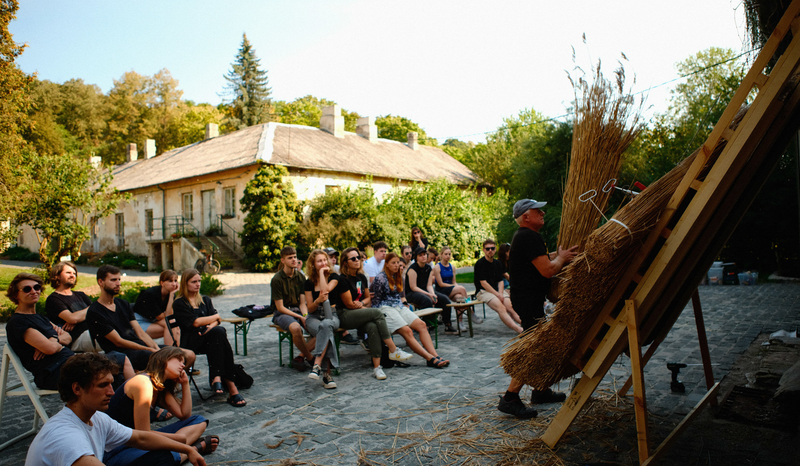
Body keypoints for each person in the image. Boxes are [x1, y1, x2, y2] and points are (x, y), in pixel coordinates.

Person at [25, 353, 206, 466]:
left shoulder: (96, 418)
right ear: (77, 389)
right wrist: (185, 446)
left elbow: (140, 437)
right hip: (113, 455)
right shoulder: (67, 436)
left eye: (112, 384)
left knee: (160, 455)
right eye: (103, 385)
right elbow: (143, 432)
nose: (112, 392)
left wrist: (188, 449)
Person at [498, 199, 578, 419]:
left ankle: (540, 390)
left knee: (540, 345)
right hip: (528, 301)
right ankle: (510, 397)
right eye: (537, 210)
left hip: (527, 299)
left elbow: (539, 261)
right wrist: (561, 259)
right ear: (526, 217)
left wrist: (558, 256)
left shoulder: (524, 237)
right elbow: (547, 271)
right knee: (534, 348)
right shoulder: (528, 236)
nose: (543, 212)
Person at [104, 347, 217, 465]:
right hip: (118, 448)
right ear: (163, 359)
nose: (182, 365)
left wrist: (185, 384)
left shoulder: (159, 388)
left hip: (138, 440)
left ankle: (178, 450)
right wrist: (179, 439)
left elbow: (184, 415)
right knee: (162, 457)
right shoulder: (143, 382)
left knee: (198, 421)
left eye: (183, 362)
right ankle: (192, 450)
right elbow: (143, 432)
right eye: (178, 360)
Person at [87, 265, 195, 372]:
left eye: (119, 279)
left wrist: (156, 347)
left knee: (189, 355)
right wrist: (150, 350)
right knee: (166, 361)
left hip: (141, 347)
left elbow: (140, 332)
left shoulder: (123, 304)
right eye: (113, 280)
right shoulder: (95, 311)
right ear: (101, 282)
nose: (118, 283)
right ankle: (160, 386)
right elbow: (118, 342)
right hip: (122, 353)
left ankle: (169, 385)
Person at [333, 247, 413, 380]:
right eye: (353, 258)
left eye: (358, 257)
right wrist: (361, 306)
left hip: (359, 311)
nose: (357, 260)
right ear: (345, 262)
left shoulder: (361, 277)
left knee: (373, 327)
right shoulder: (343, 279)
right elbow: (348, 304)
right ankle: (393, 349)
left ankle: (377, 367)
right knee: (377, 313)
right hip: (345, 314)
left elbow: (367, 298)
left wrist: (362, 304)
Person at [173, 269, 247, 407]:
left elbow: (217, 321)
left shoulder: (205, 300)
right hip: (191, 342)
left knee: (218, 334)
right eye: (194, 282)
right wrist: (215, 318)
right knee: (220, 336)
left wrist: (211, 325)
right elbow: (195, 322)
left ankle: (219, 379)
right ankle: (229, 387)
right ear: (185, 283)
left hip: (209, 339)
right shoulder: (179, 303)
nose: (198, 284)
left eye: (199, 281)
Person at [372, 253, 450, 369]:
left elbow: (401, 296)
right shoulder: (380, 278)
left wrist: (404, 304)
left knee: (422, 325)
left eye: (397, 263)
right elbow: (376, 301)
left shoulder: (399, 277)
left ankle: (435, 355)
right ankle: (429, 358)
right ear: (386, 264)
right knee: (407, 331)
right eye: (393, 263)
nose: (396, 265)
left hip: (398, 306)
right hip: (385, 308)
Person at [7, 272, 75, 390]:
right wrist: (54, 341)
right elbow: (50, 349)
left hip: (69, 363)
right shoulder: (18, 322)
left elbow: (68, 337)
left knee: (114, 362)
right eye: (27, 289)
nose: (34, 291)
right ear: (16, 295)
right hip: (52, 373)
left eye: (37, 287)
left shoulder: (40, 318)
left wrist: (53, 339)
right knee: (105, 371)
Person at [271, 246, 316, 370]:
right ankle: (311, 358)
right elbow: (279, 307)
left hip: (298, 311)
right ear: (283, 260)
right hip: (282, 313)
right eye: (290, 258)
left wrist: (306, 317)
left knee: (321, 327)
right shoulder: (277, 279)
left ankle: (300, 357)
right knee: (296, 328)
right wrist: (300, 317)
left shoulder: (300, 277)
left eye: (295, 257)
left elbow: (302, 303)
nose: (294, 260)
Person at [303, 249, 340, 389]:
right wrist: (317, 300)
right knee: (325, 328)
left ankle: (317, 364)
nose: (324, 263)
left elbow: (325, 292)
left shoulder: (334, 276)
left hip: (332, 314)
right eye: (319, 261)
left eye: (325, 260)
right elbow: (310, 309)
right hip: (314, 317)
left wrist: (321, 274)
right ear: (313, 264)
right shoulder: (308, 283)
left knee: (326, 325)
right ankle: (327, 375)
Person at [474, 239, 523, 334]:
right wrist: (497, 294)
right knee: (501, 308)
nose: (490, 250)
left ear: (495, 249)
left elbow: (500, 280)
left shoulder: (497, 263)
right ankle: (519, 330)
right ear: (484, 250)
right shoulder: (480, 264)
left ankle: (527, 326)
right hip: (483, 291)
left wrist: (500, 293)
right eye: (487, 249)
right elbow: (483, 283)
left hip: (498, 290)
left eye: (492, 248)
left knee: (511, 307)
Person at [45, 261, 96, 352]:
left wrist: (77, 317)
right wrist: (91, 309)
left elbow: (98, 311)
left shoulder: (81, 295)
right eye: (68, 273)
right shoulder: (53, 299)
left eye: (74, 273)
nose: (72, 275)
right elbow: (72, 318)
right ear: (57, 276)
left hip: (93, 331)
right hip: (76, 338)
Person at [404, 247, 456, 335]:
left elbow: (429, 285)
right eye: (420, 255)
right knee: (426, 300)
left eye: (424, 254)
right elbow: (413, 287)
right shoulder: (413, 269)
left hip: (425, 291)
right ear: (416, 257)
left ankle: (448, 325)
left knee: (445, 300)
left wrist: (432, 294)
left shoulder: (428, 268)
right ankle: (425, 324)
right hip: (411, 293)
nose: (423, 257)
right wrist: (429, 294)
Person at [433, 247, 477, 331]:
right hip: (441, 291)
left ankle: (460, 323)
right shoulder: (437, 267)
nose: (448, 256)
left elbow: (454, 282)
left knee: (460, 297)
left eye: (449, 254)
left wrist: (456, 287)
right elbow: (440, 284)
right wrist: (456, 287)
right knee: (461, 288)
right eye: (446, 254)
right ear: (441, 254)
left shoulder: (452, 267)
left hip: (450, 290)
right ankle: (471, 312)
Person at [132, 270, 179, 347]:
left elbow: (169, 316)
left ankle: (174, 351)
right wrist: (165, 314)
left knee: (173, 325)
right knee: (171, 326)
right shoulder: (150, 294)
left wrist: (172, 295)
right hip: (139, 322)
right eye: (170, 281)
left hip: (153, 320)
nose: (174, 284)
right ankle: (169, 352)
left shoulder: (171, 294)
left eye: (176, 281)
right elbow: (160, 317)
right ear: (162, 283)